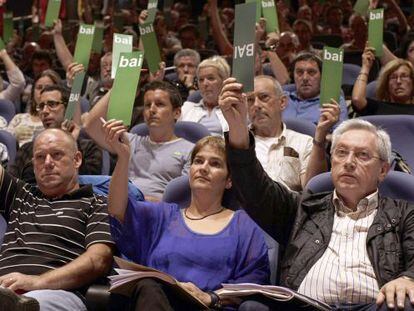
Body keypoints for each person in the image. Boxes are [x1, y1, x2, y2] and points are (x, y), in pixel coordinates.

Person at [219, 77, 414, 310]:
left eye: (362, 155)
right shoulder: (304, 208)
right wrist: (238, 127)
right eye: (341, 153)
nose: (349, 162)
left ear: (382, 170)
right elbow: (255, 190)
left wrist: (408, 278)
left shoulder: (404, 214)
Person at [104, 119, 270, 310]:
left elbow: (254, 280)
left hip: (210, 306)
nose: (203, 167)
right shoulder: (163, 216)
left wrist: (212, 297)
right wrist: (124, 158)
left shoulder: (243, 226)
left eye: (215, 163)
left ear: (229, 180)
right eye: (198, 161)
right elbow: (117, 210)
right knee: (147, 287)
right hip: (157, 303)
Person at [0, 128, 114, 311]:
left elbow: (99, 259)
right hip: (5, 288)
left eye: (56, 155)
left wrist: (37, 282)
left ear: (77, 159)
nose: (47, 163)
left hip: (57, 292)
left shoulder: (96, 203)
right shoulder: (21, 195)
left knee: (27, 306)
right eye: (40, 157)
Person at [84, 80, 194, 201]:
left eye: (160, 104)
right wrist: (120, 84)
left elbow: (185, 197)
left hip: (158, 211)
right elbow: (90, 125)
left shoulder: (190, 150)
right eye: (147, 105)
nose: (152, 110)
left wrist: (142, 201)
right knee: (81, 182)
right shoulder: (131, 141)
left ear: (177, 113)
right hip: (121, 204)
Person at [248, 75, 339, 191]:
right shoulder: (238, 143)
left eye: (264, 97)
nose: (256, 105)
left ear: (282, 102)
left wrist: (320, 137)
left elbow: (311, 191)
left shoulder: (304, 142)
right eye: (250, 100)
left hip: (289, 207)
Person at [8, 84, 102, 184]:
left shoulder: (89, 148)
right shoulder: (27, 149)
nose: (44, 111)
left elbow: (88, 184)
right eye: (41, 106)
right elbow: (12, 184)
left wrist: (71, 143)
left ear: (67, 110)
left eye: (52, 104)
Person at [283, 52, 348, 127]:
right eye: (299, 72)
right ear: (293, 76)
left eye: (311, 72)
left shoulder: (333, 102)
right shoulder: (282, 99)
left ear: (322, 77)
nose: (305, 78)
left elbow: (340, 135)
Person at [352, 47, 414, 115]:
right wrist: (366, 66)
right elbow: (357, 99)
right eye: (393, 77)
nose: (398, 81)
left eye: (404, 76)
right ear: (386, 84)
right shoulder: (376, 107)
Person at [6, 70, 61, 147]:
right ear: (33, 92)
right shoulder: (18, 118)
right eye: (39, 87)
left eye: (48, 88)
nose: (42, 91)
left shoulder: (59, 120)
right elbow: (6, 143)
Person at [180, 55, 230, 136]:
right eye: (201, 80)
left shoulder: (235, 109)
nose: (205, 84)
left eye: (210, 78)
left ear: (224, 81)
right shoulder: (187, 108)